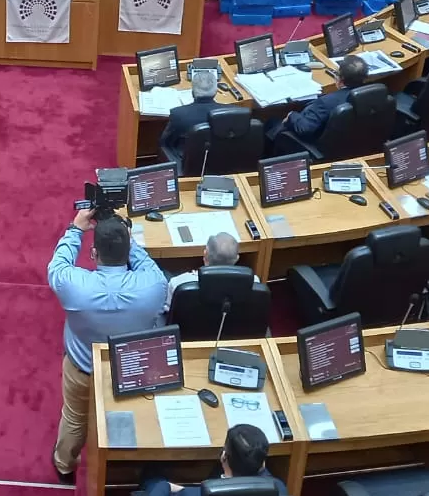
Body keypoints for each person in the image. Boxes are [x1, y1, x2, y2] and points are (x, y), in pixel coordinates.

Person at [48, 207, 166, 483]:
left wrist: (76, 229)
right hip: (133, 369)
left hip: (82, 369)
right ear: (127, 251)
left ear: (93, 254)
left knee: (75, 419)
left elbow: (57, 265)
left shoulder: (74, 284)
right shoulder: (154, 284)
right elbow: (147, 264)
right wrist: (129, 241)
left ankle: (64, 465)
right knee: (132, 415)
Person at [139, 424, 289, 496]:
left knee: (152, 476)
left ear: (224, 458)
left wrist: (167, 486)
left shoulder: (203, 493)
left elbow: (162, 489)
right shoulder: (279, 488)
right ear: (262, 462)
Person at [268, 55, 368, 145]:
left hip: (318, 143)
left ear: (340, 81)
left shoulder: (325, 103)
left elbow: (305, 129)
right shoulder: (370, 94)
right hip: (351, 142)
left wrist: (292, 116)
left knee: (271, 122)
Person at [164, 233, 259, 313]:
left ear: (205, 254)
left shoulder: (179, 283)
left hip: (188, 333)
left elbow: (166, 311)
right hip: (234, 333)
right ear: (237, 258)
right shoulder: (254, 282)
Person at [158, 68, 218, 163]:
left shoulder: (179, 114)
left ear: (192, 92)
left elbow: (165, 142)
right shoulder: (233, 113)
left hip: (187, 163)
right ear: (216, 91)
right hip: (220, 161)